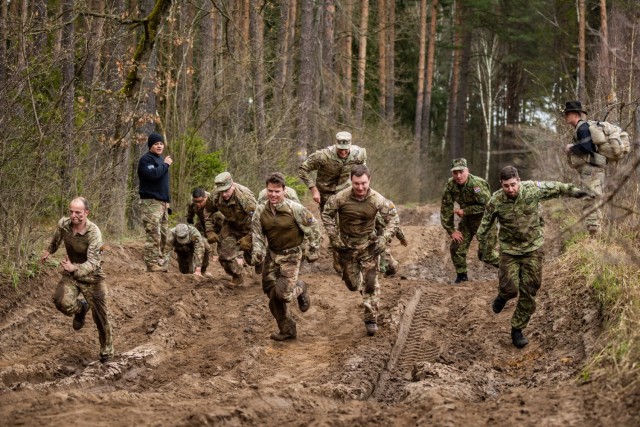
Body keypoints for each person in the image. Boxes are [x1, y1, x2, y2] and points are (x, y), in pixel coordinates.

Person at [476, 166, 593, 348]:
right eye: (506, 186)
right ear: (501, 184)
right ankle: (503, 296)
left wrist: (576, 192)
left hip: (533, 249)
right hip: (509, 251)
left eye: (513, 185)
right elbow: (485, 226)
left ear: (519, 180)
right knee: (510, 290)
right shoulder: (496, 200)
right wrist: (483, 248)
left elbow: (557, 187)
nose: (511, 189)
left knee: (530, 289)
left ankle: (517, 329)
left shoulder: (533, 189)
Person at [322, 165, 399, 336]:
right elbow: (327, 214)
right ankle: (355, 281)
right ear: (351, 181)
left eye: (363, 183)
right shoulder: (341, 198)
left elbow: (393, 218)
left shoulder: (377, 199)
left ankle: (371, 318)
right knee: (353, 285)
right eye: (356, 183)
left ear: (369, 180)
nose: (360, 187)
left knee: (371, 283)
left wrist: (384, 239)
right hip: (346, 247)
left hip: (368, 247)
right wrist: (334, 236)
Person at [41, 197, 114, 363]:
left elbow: (95, 262)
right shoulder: (64, 224)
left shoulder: (94, 233)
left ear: (86, 213)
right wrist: (49, 251)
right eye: (71, 212)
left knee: (101, 316)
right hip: (71, 273)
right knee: (61, 302)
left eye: (78, 213)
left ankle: (106, 352)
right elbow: (56, 238)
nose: (74, 216)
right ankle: (81, 309)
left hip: (92, 277)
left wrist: (76, 268)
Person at [251, 172, 321, 341]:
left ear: (283, 190)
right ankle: (287, 330)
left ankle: (301, 287)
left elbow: (313, 228)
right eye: (270, 191)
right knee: (272, 296)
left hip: (291, 255)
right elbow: (257, 235)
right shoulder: (261, 210)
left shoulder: (294, 209)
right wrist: (258, 253)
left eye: (277, 191)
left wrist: (313, 249)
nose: (273, 195)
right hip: (272, 255)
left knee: (282, 295)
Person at [299, 131, 367, 273]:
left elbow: (362, 171)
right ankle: (337, 258)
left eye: (345, 149)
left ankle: (350, 258)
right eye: (340, 149)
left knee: (349, 223)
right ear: (336, 146)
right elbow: (303, 169)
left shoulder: (359, 154)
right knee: (332, 227)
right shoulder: (323, 156)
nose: (343, 152)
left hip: (346, 193)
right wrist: (313, 189)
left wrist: (362, 189)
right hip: (326, 194)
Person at [440, 158, 499, 283]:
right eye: (455, 173)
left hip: (486, 222)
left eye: (461, 172)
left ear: (467, 171)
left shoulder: (477, 184)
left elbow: (488, 206)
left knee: (485, 255)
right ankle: (462, 277)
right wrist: (451, 230)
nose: (458, 176)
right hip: (467, 222)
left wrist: (465, 211)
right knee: (456, 247)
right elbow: (446, 208)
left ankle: (511, 268)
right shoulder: (450, 185)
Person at [204, 171, 257, 285]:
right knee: (224, 255)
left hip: (249, 227)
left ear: (232, 185)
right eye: (221, 191)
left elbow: (258, 220)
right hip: (231, 225)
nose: (224, 194)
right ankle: (237, 276)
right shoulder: (215, 195)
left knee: (253, 259)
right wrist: (209, 230)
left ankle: (260, 265)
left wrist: (249, 237)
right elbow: (208, 210)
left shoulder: (245, 197)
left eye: (227, 190)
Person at [562, 100, 606, 236]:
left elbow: (586, 148)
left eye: (567, 114)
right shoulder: (582, 128)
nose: (565, 117)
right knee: (593, 201)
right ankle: (596, 236)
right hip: (592, 171)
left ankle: (594, 239)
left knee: (590, 200)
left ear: (575, 114)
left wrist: (571, 148)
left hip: (591, 171)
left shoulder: (582, 128)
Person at [138, 132, 172, 272]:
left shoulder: (160, 160)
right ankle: (151, 264)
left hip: (162, 204)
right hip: (151, 203)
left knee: (165, 235)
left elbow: (163, 183)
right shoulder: (146, 160)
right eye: (156, 144)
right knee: (153, 233)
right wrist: (166, 165)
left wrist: (167, 201)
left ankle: (161, 261)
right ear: (150, 145)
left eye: (161, 144)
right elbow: (153, 175)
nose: (159, 146)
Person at [187, 188, 223, 256]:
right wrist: (190, 217)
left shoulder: (213, 201)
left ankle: (216, 252)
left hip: (216, 221)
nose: (198, 204)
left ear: (206, 198)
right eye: (196, 201)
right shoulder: (192, 202)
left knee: (216, 236)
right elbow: (190, 210)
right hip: (202, 220)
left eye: (200, 201)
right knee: (195, 233)